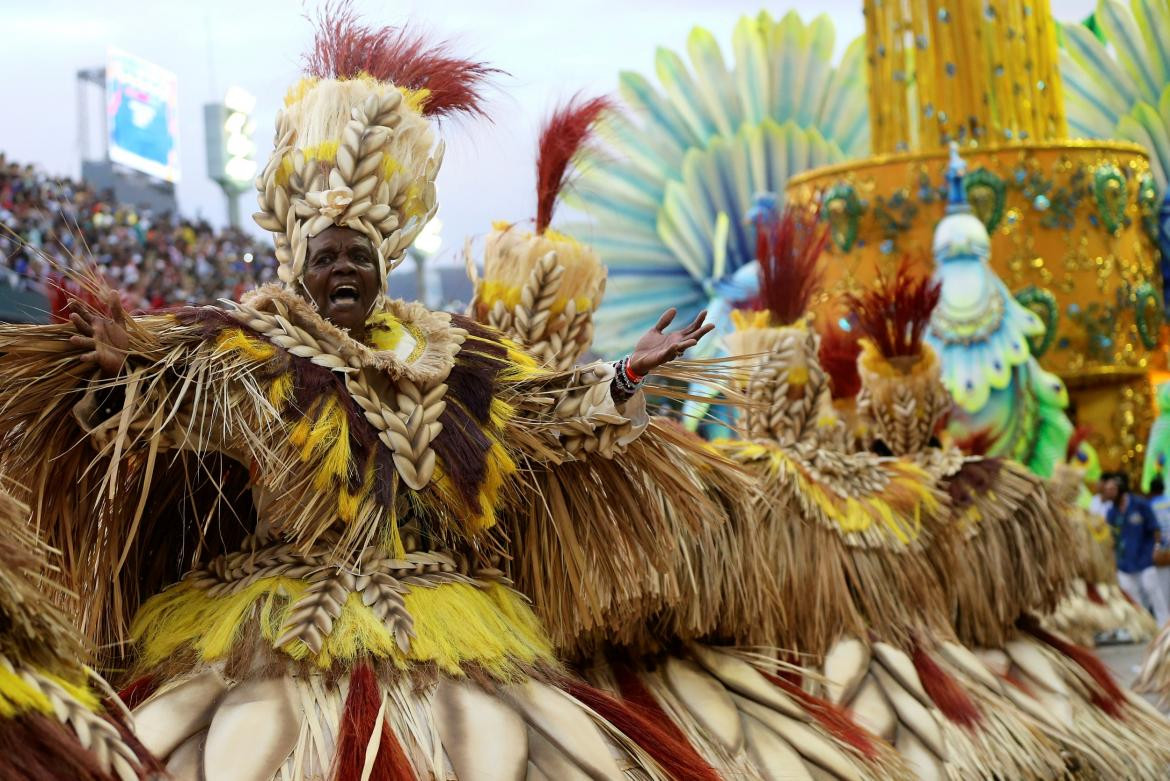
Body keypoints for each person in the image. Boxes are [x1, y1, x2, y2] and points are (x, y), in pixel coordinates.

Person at [0, 10, 721, 779]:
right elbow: (163, 409)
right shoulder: (247, 351)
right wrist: (118, 369)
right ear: (295, 264)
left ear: (385, 263)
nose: (342, 269)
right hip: (276, 625)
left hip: (449, 617)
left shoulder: (456, 358)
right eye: (326, 255)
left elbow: (547, 417)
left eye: (357, 255)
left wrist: (627, 378)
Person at [1104, 472, 1170, 626]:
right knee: (1131, 595)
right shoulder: (1111, 513)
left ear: (1121, 489)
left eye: (1112, 489)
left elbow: (1155, 529)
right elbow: (1110, 537)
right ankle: (1144, 626)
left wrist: (1157, 547)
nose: (1109, 493)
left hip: (1144, 558)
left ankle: (1164, 625)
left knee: (1152, 589)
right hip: (1124, 563)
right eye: (1107, 490)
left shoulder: (1141, 505)